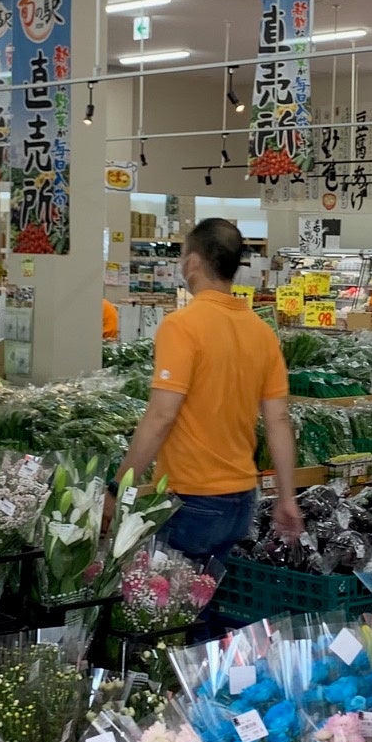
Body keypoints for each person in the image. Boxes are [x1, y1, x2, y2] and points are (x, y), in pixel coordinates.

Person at [118, 218, 303, 563]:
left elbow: (161, 416)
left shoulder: (182, 325)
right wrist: (287, 497)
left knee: (171, 596)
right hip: (242, 499)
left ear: (192, 263)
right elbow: (278, 419)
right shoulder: (262, 332)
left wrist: (119, 486)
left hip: (191, 498)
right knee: (206, 589)